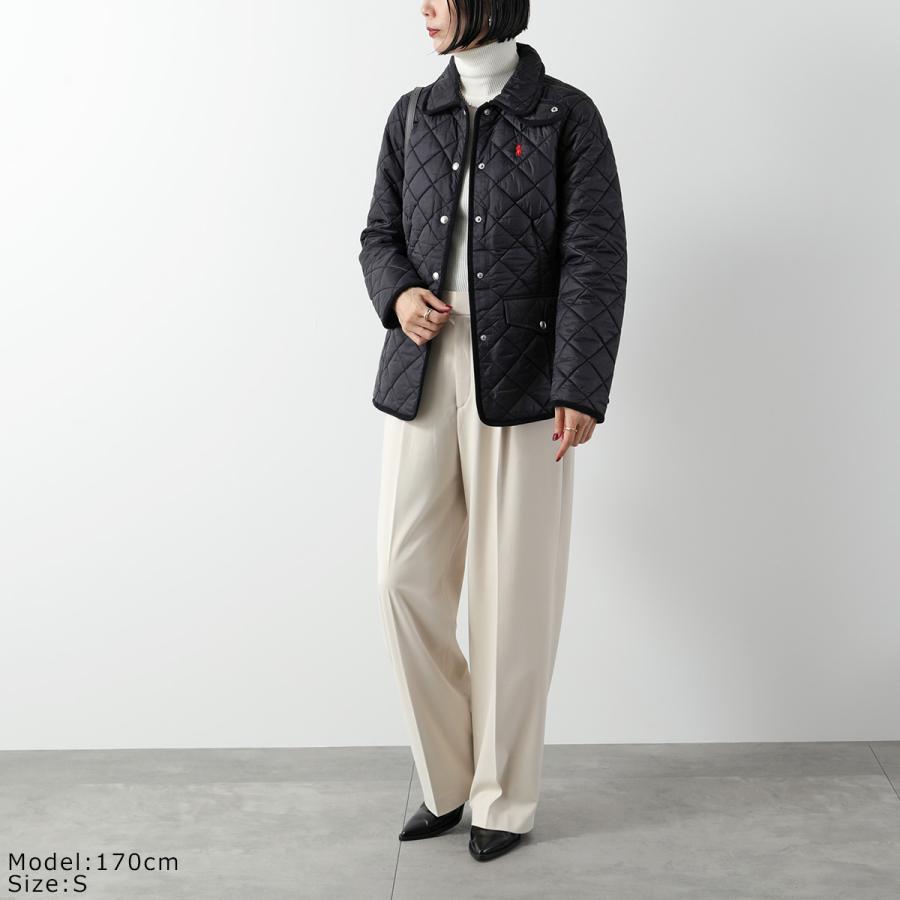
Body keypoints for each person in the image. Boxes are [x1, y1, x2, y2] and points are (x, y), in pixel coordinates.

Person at [358, 0, 627, 863]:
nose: (425, 7)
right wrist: (399, 294)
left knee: (513, 596)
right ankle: (449, 778)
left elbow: (595, 255)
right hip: (423, 368)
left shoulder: (565, 116)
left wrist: (580, 382)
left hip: (525, 376)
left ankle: (503, 799)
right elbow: (379, 235)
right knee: (402, 579)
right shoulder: (413, 115)